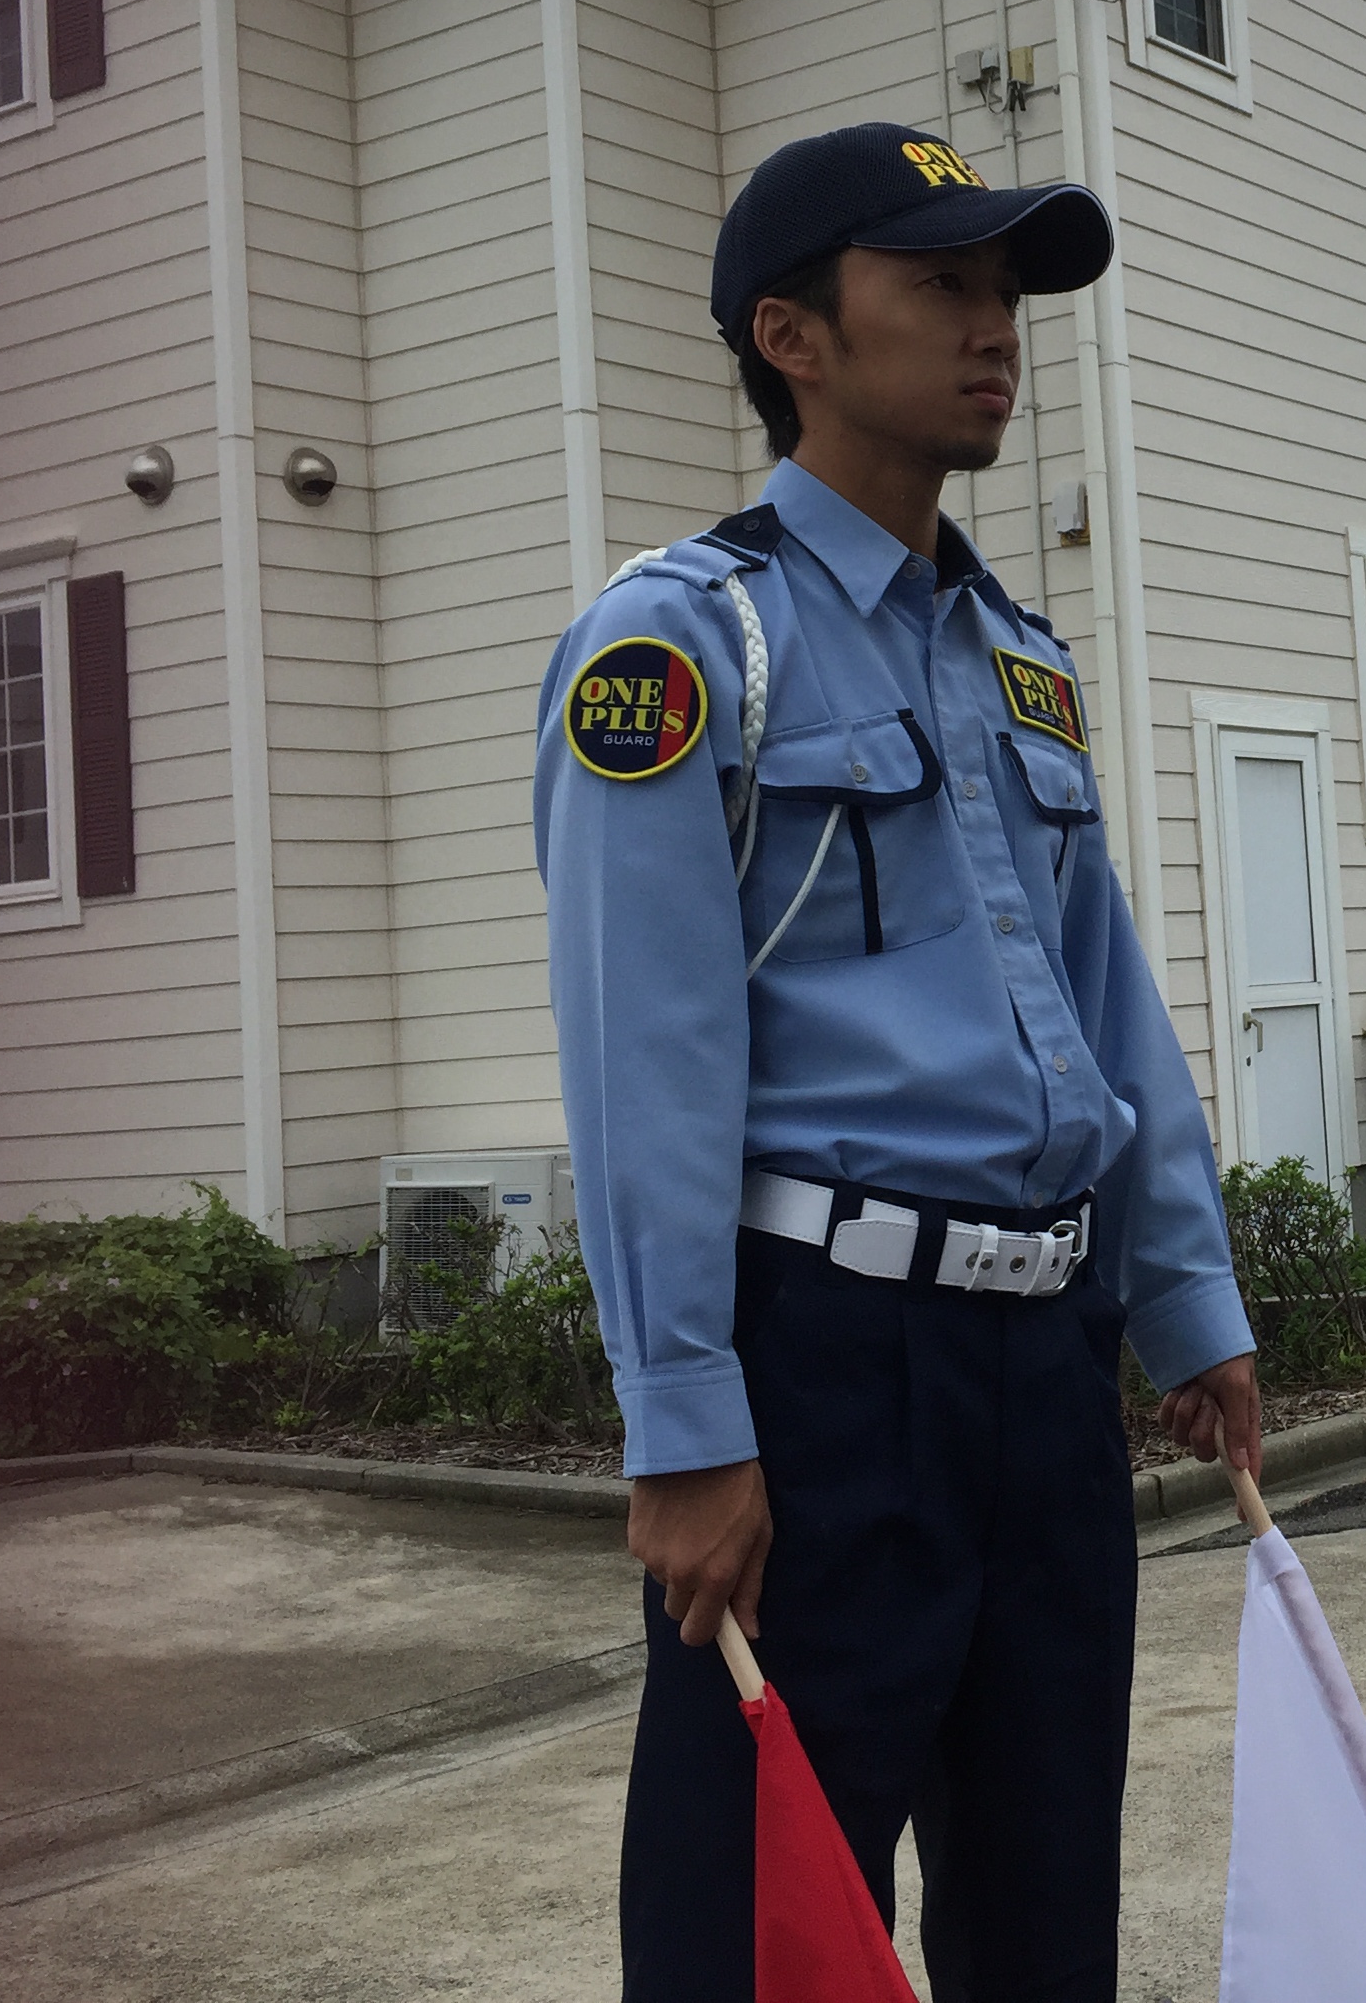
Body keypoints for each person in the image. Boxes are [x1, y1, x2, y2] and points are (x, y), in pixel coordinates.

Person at [532, 122, 1262, 2003]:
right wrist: (683, 1421)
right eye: (939, 284)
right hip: (825, 1365)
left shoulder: (1018, 661)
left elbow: (1106, 1001)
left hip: (1041, 1365)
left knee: (1043, 1915)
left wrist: (1185, 1295)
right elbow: (647, 1056)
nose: (994, 327)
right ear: (791, 333)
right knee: (764, 1927)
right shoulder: (685, 645)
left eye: (1006, 291)